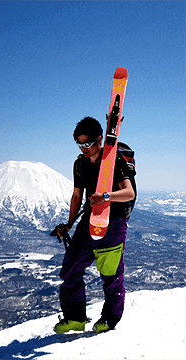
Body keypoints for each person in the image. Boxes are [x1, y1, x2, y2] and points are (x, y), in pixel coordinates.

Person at [53, 116, 135, 334]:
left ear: (100, 140)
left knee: (110, 274)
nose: (84, 148)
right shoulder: (80, 164)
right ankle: (75, 319)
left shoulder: (114, 161)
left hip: (114, 221)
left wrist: (105, 196)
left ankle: (110, 318)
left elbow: (129, 193)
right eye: (80, 144)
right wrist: (69, 224)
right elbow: (76, 196)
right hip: (88, 221)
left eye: (88, 143)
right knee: (71, 267)